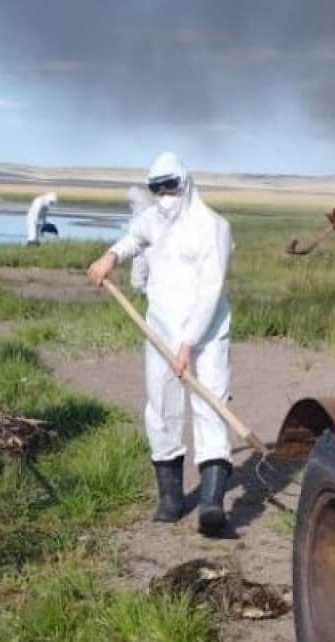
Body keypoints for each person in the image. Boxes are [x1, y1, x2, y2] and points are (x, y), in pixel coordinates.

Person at [86, 152, 234, 536]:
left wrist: (188, 344)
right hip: (160, 332)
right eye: (157, 188)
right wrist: (110, 257)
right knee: (162, 409)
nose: (165, 195)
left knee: (211, 407)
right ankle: (170, 499)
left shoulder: (212, 227)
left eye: (171, 186)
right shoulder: (152, 219)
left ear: (185, 183)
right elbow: (134, 237)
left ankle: (211, 503)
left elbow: (210, 290)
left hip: (206, 335)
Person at [125, 185, 154, 293]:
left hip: (143, 238)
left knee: (141, 261)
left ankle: (139, 286)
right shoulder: (144, 206)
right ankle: (139, 286)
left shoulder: (143, 207)